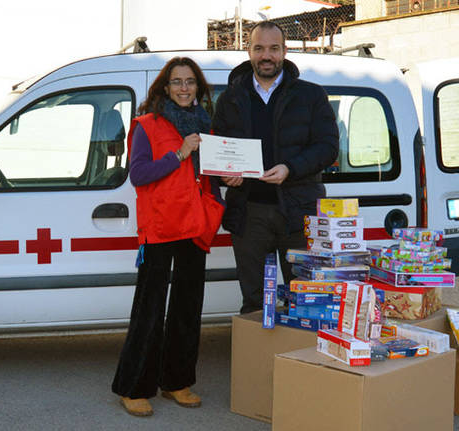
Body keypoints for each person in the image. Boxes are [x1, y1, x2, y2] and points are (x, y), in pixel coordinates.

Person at [111, 57, 224, 417]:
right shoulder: (146, 125)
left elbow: (211, 174)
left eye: (190, 82)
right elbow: (140, 174)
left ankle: (177, 382)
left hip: (195, 225)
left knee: (187, 309)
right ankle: (134, 387)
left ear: (199, 88)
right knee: (150, 309)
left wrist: (230, 176)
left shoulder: (207, 126)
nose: (184, 88)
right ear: (164, 87)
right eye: (176, 82)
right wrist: (180, 153)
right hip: (160, 226)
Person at [212, 21, 339, 314]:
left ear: (284, 51)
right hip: (248, 213)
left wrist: (290, 168)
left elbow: (328, 147)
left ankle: (297, 360)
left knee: (306, 299)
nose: (266, 55)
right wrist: (225, 174)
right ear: (249, 51)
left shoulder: (311, 95)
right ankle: (257, 359)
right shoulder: (230, 98)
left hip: (299, 211)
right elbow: (218, 147)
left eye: (273, 48)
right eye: (259, 48)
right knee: (254, 303)